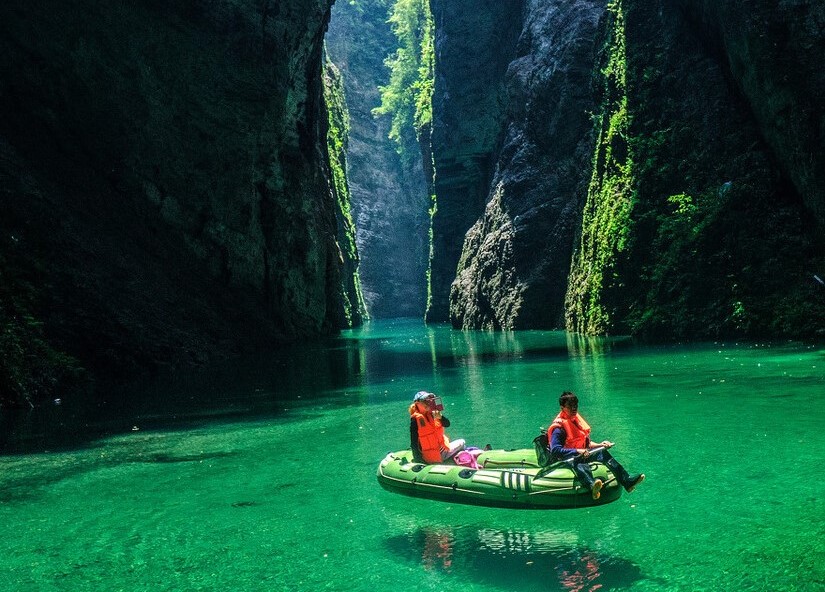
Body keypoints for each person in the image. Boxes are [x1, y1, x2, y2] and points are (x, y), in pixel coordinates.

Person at [547, 391, 644, 500]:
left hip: (582, 452)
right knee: (578, 461)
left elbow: (586, 442)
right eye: (570, 406)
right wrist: (577, 451)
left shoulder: (575, 420)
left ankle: (627, 481)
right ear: (562, 407)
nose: (574, 409)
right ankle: (592, 485)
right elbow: (555, 450)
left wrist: (600, 445)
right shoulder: (558, 428)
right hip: (567, 457)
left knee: (602, 452)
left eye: (575, 405)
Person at [409, 391, 465, 464]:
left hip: (442, 450)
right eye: (424, 401)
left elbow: (447, 424)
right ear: (417, 403)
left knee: (462, 442)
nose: (427, 403)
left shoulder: (433, 414)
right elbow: (414, 442)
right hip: (430, 457)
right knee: (462, 442)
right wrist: (418, 461)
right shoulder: (415, 420)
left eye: (429, 401)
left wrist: (441, 417)